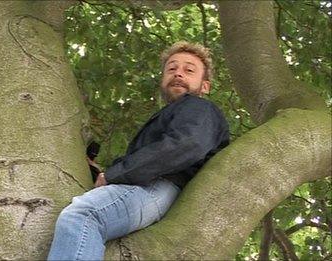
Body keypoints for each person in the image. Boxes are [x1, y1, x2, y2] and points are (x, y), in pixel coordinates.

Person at [47, 42, 230, 260]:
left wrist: (115, 174)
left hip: (156, 186)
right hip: (153, 190)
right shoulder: (174, 113)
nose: (178, 74)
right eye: (172, 69)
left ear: (205, 86)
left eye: (189, 70)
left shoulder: (200, 108)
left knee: (82, 216)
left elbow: (186, 144)